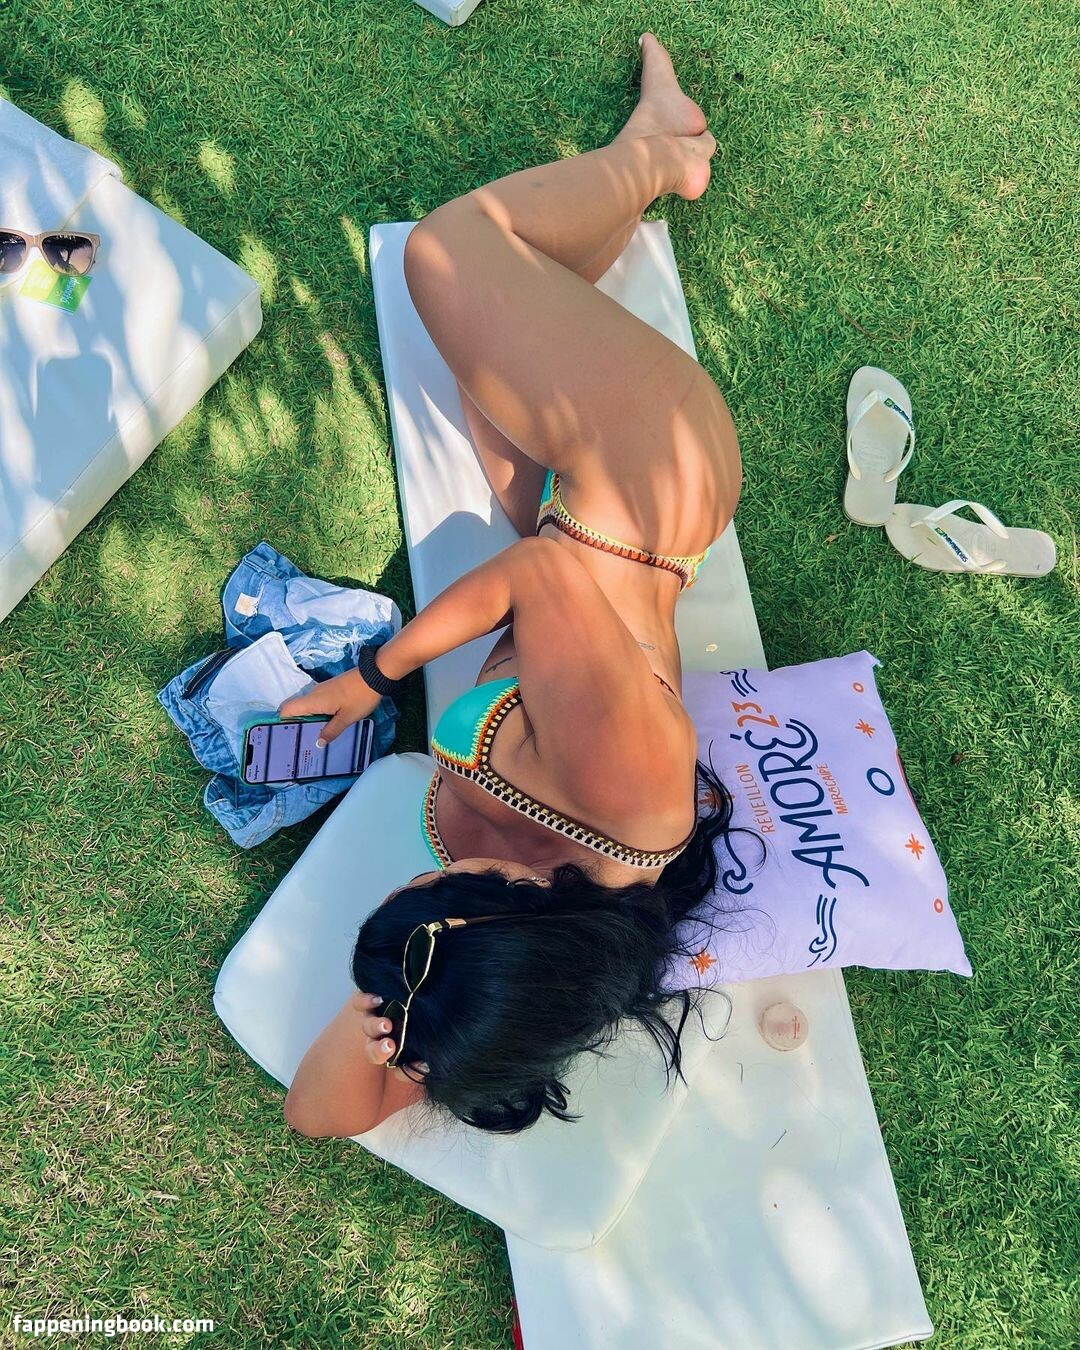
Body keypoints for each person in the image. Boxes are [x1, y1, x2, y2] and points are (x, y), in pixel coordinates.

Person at [283, 34, 746, 1138]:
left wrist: (387, 1014)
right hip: (649, 470)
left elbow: (318, 1117)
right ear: (510, 914)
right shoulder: (630, 801)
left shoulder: (484, 974)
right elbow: (542, 575)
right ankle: (662, 152)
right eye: (421, 912)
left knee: (487, 336)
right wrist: (371, 677)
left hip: (559, 510)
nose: (404, 896)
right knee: (446, 253)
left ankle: (564, 276)